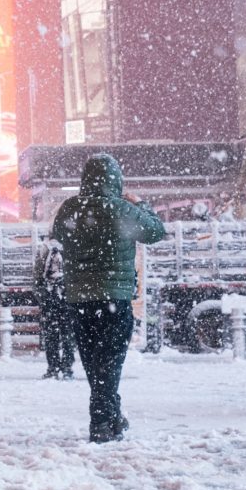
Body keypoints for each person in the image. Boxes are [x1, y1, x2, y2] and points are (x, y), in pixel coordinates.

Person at [50, 154, 166, 444]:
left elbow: (59, 235)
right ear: (116, 179)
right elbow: (156, 231)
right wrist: (139, 203)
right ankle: (100, 421)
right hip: (114, 296)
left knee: (93, 360)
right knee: (111, 361)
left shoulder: (69, 209)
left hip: (79, 298)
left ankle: (112, 415)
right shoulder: (122, 209)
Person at [33, 238, 76, 380]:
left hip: (53, 299)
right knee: (66, 336)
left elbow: (37, 277)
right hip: (65, 299)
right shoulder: (70, 247)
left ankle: (55, 367)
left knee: (54, 336)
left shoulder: (46, 249)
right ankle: (64, 367)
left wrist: (42, 295)